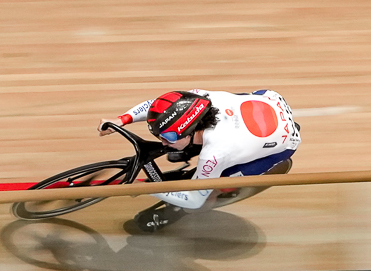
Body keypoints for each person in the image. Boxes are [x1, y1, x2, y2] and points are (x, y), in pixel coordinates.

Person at [111, 88, 300, 231]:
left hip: (283, 144)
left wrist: (148, 189)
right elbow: (157, 106)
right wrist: (122, 119)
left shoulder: (216, 153)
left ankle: (174, 214)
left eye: (168, 138)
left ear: (188, 131)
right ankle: (188, 149)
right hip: (267, 99)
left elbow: (194, 200)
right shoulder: (199, 98)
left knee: (209, 191)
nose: (162, 142)